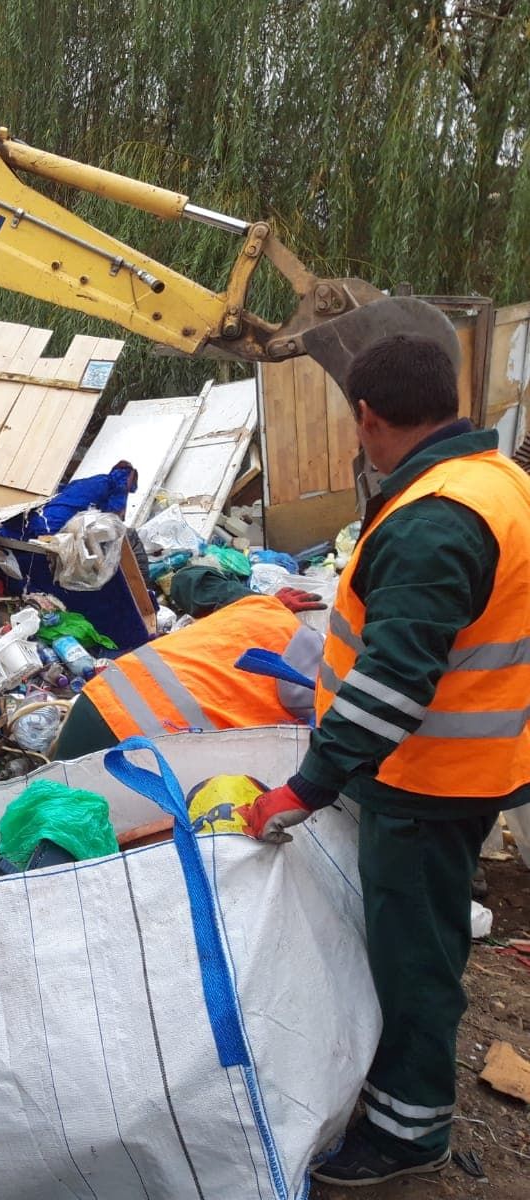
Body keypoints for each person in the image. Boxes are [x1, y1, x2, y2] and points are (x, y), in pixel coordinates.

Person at [234, 334, 530, 1186]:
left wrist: (305, 785)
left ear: (366, 417)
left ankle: (406, 1134)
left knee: (411, 961)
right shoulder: (498, 481)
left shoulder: (436, 520)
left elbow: (394, 682)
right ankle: (402, 1096)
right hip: (466, 767)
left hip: (424, 782)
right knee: (419, 941)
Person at [51, 566, 327, 759]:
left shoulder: (262, 607)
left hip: (99, 700)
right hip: (151, 743)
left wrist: (256, 599)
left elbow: (187, 579)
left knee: (50, 806)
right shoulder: (328, 683)